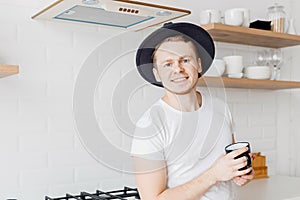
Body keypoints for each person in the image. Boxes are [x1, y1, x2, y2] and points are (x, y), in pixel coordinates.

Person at [131, 22, 254, 200]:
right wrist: (214, 175)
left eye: (185, 60)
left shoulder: (221, 108)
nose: (178, 69)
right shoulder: (150, 125)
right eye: (168, 64)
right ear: (157, 74)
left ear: (198, 64)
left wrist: (238, 173)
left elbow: (225, 165)